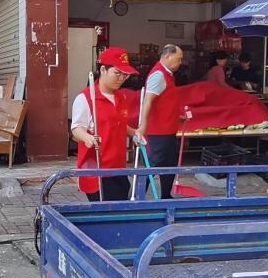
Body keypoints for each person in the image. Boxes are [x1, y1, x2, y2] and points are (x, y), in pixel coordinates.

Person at [71, 47, 141, 202]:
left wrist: (134, 133)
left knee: (120, 207)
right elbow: (76, 129)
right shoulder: (86, 98)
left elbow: (120, 124)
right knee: (106, 212)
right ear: (103, 69)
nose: (121, 78)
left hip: (119, 167)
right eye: (117, 73)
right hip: (97, 168)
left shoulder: (121, 97)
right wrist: (87, 137)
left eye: (125, 74)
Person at [136, 44, 185, 199]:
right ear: (167, 56)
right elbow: (148, 101)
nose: (180, 62)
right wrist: (143, 126)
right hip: (158, 132)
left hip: (169, 129)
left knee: (169, 164)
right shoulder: (158, 75)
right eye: (178, 59)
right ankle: (138, 197)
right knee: (152, 164)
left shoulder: (168, 74)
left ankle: (165, 195)